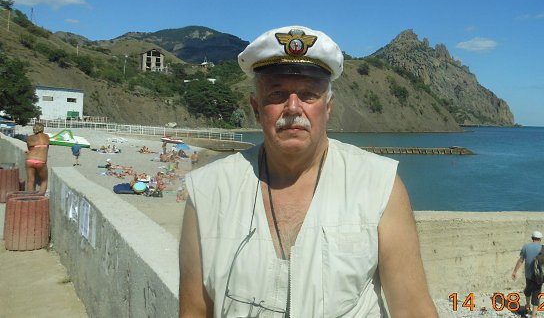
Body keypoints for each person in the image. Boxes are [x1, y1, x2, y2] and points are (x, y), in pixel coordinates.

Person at [179, 26, 437, 317]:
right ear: (256, 108)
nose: (293, 107)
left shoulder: (379, 185)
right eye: (277, 94)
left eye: (308, 94)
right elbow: (194, 311)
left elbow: (413, 308)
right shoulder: (207, 192)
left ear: (328, 107)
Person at [512, 230, 544, 317]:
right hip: (539, 276)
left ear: (532, 238)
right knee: (536, 294)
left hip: (529, 275)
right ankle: (533, 315)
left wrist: (515, 271)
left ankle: (528, 306)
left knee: (528, 290)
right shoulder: (543, 248)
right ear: (540, 239)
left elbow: (521, 260)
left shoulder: (526, 247)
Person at [25, 122, 50, 195]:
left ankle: (30, 198)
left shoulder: (30, 138)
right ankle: (40, 198)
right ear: (42, 129)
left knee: (30, 181)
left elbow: (30, 149)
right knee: (44, 180)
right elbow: (46, 148)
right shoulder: (46, 137)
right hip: (41, 161)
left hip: (30, 160)